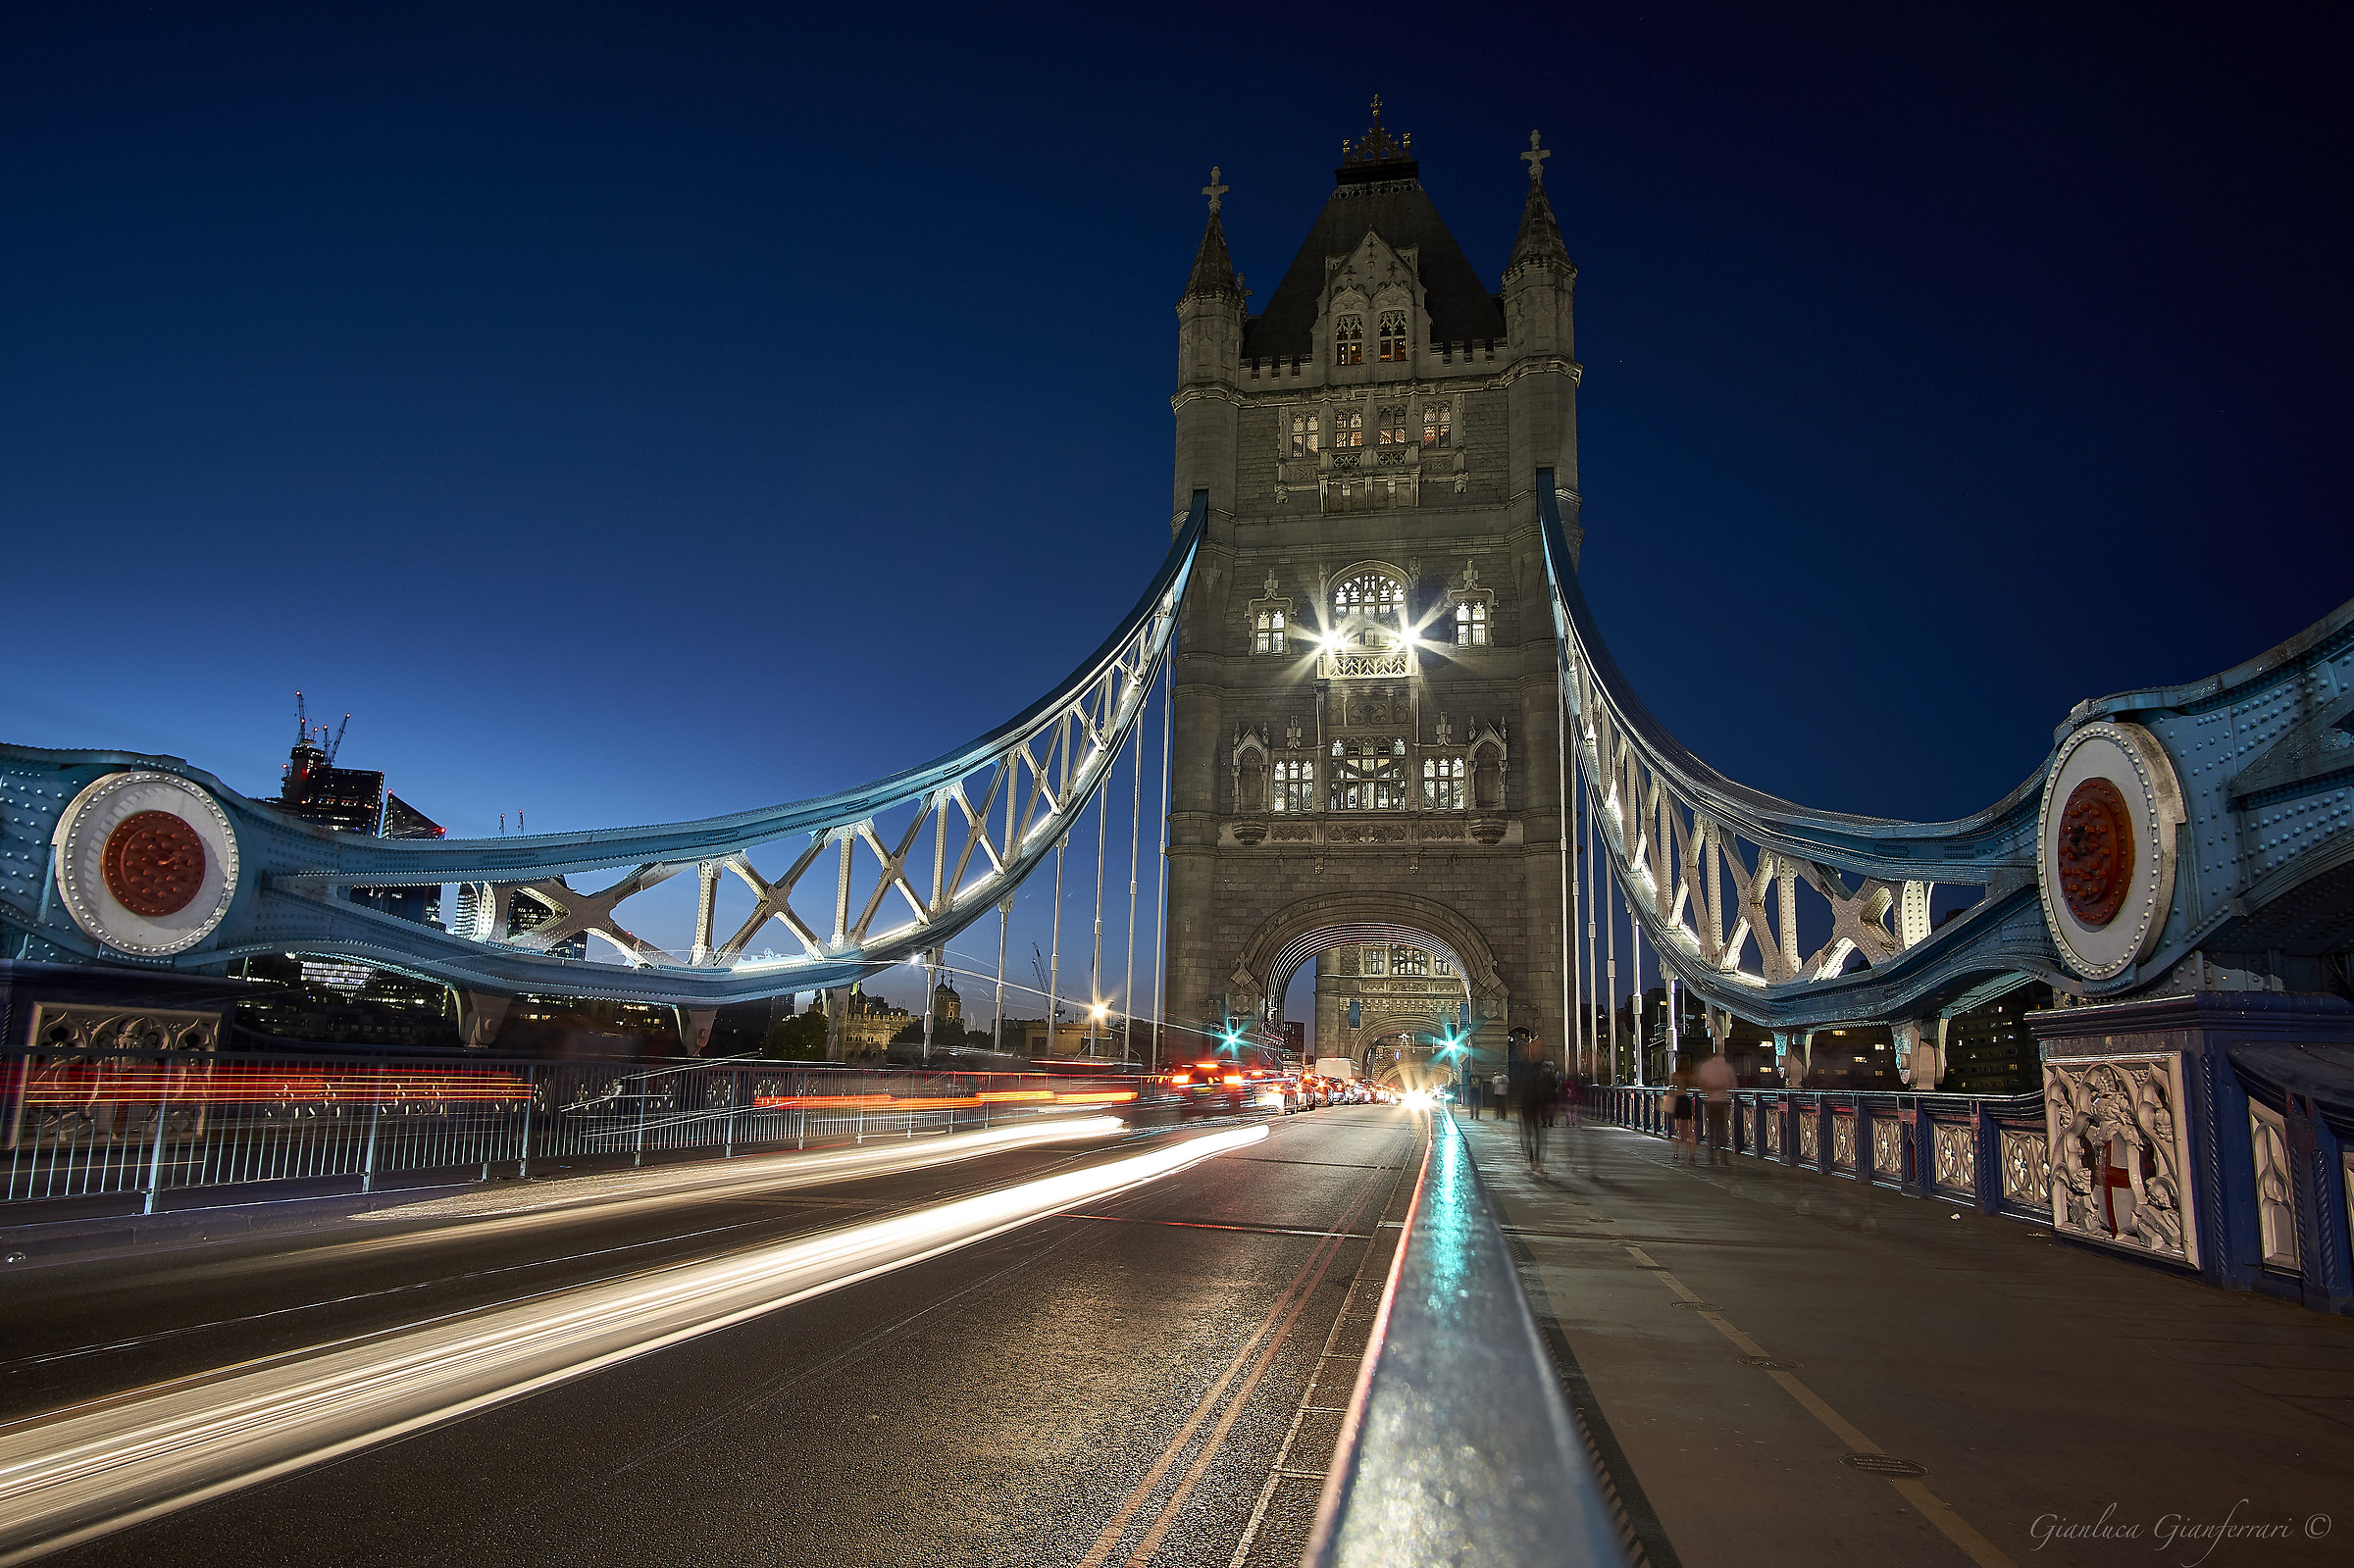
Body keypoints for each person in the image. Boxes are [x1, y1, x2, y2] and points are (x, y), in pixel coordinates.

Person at [1509, 1029, 1554, 1169]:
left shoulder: (1541, 1066)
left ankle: (1536, 1160)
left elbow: (1549, 1085)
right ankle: (1531, 1159)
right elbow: (1516, 1083)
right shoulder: (1523, 1066)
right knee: (1528, 1133)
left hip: (1538, 1103)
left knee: (1538, 1133)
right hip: (1526, 1102)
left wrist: (1550, 1102)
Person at [1695, 1049, 1736, 1165]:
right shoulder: (1727, 1067)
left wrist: (1710, 1089)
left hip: (1711, 1101)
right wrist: (1721, 1087)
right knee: (1723, 1130)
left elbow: (1700, 1083)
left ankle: (1711, 1155)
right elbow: (1732, 1084)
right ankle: (1724, 1157)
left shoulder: (1706, 1066)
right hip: (1723, 1101)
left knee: (1711, 1129)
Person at [1667, 1062, 1698, 1163]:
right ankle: (1691, 1155)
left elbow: (1671, 1088)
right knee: (1689, 1129)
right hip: (1685, 1101)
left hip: (1677, 1101)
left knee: (1677, 1128)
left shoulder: (1675, 1075)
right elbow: (1694, 1084)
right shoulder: (1688, 1075)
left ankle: (1676, 1152)